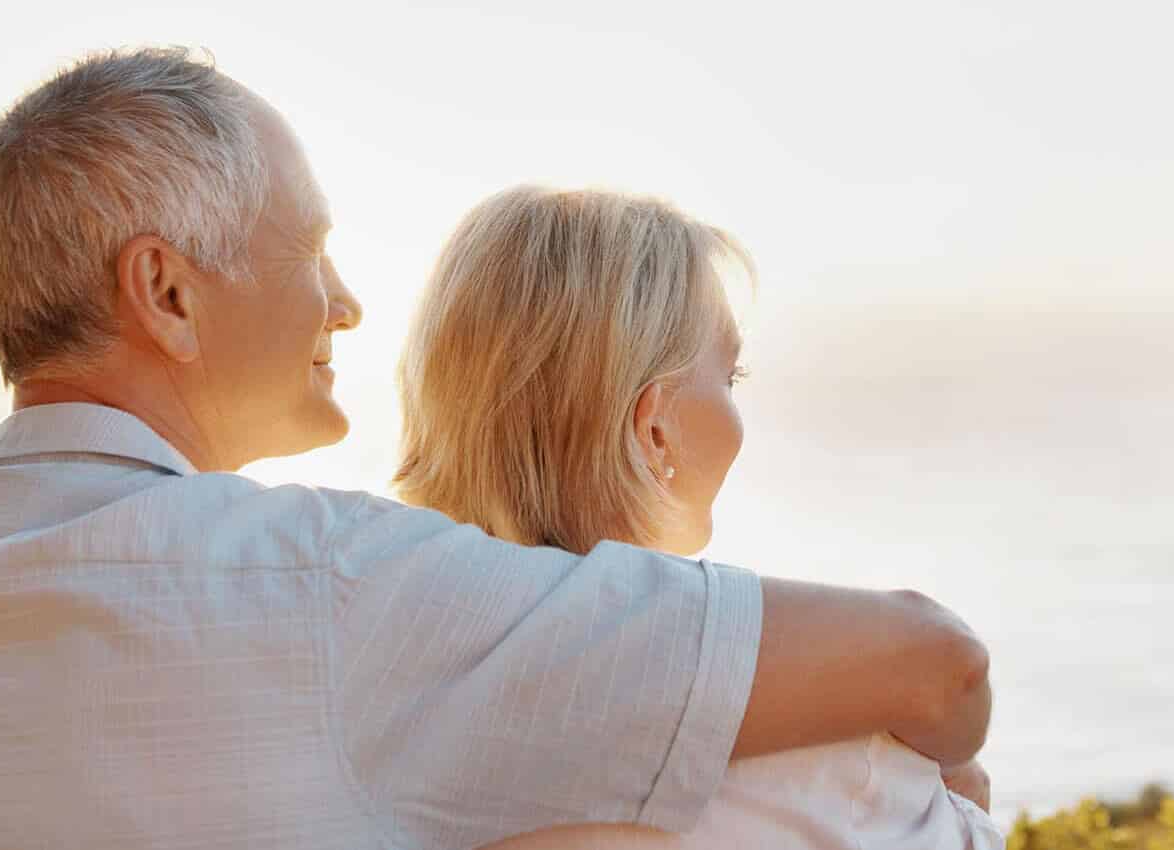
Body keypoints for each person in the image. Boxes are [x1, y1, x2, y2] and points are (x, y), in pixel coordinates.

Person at [0, 47, 990, 850]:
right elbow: (930, 662)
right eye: (311, 251)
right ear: (167, 294)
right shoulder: (317, 586)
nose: (344, 303)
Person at [392, 186, 1003, 849]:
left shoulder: (373, 700)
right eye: (731, 377)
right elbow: (952, 674)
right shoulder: (833, 767)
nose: (737, 407)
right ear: (653, 431)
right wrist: (952, 794)